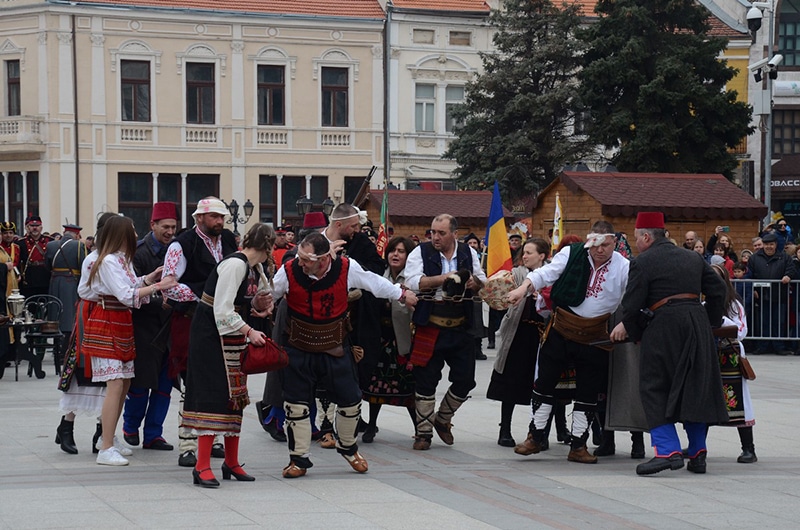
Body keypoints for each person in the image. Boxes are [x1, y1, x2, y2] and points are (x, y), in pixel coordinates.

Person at [273, 232, 417, 478]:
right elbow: (270, 294)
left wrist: (401, 294)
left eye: (307, 260)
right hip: (298, 346)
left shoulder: (347, 268)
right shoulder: (287, 271)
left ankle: (349, 448)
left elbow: (375, 283)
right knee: (296, 405)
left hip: (335, 346)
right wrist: (260, 303)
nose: (301, 263)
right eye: (300, 257)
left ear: (324, 259)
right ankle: (298, 459)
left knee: (351, 400)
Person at [609, 211, 729, 476]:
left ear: (647, 236)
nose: (636, 243)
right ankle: (698, 453)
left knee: (654, 386)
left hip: (663, 327)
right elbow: (718, 290)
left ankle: (667, 451)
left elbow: (631, 305)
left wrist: (632, 331)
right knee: (693, 386)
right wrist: (709, 321)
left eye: (637, 238)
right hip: (696, 323)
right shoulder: (693, 257)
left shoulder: (643, 261)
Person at [506, 220, 629, 464]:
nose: (600, 249)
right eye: (595, 244)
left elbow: (636, 295)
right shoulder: (571, 254)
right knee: (544, 384)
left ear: (614, 242)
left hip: (595, 335)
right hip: (561, 329)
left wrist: (626, 323)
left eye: (606, 244)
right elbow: (545, 273)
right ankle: (535, 437)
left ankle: (578, 445)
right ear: (588, 240)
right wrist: (523, 288)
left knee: (588, 392)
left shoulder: (624, 267)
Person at [181, 223, 275, 487]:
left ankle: (231, 462)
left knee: (235, 397)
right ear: (267, 246)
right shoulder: (236, 264)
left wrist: (255, 305)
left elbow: (235, 301)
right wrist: (249, 331)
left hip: (227, 337)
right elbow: (221, 309)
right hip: (211, 338)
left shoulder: (249, 266)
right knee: (213, 397)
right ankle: (201, 466)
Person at [79, 215, 176, 466]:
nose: (135, 235)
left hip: (120, 320)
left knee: (124, 382)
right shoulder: (109, 260)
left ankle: (109, 438)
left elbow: (131, 285)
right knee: (115, 384)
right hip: (108, 319)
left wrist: (149, 278)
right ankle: (106, 446)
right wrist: (157, 286)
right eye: (131, 231)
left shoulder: (121, 259)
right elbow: (125, 294)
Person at [161, 197, 239, 467]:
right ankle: (187, 443)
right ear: (199, 218)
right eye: (214, 217)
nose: (220, 221)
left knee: (221, 380)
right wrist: (204, 297)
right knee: (191, 381)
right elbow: (169, 284)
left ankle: (214, 438)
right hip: (191, 318)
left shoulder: (228, 240)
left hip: (224, 321)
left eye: (222, 217)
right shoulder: (181, 244)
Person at [404, 214, 487, 450]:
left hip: (460, 326)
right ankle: (423, 433)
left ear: (454, 234)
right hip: (430, 325)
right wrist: (446, 279)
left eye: (441, 233)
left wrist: (473, 283)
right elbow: (412, 281)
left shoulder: (468, 252)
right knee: (425, 380)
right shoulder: (420, 252)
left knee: (466, 380)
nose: (435, 237)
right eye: (432, 232)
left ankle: (442, 419)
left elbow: (481, 279)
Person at [320, 204, 385, 447]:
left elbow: (377, 271)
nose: (358, 229)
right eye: (354, 226)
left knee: (359, 368)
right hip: (323, 317)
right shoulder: (315, 241)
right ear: (339, 225)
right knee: (324, 371)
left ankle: (350, 419)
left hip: (358, 318)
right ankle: (325, 425)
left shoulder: (362, 243)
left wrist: (353, 269)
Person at [55, 212, 116, 455]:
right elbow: (85, 290)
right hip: (91, 317)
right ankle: (66, 426)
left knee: (108, 376)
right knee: (83, 370)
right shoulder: (93, 258)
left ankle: (102, 431)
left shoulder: (113, 257)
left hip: (109, 318)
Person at [122, 202, 179, 451]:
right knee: (141, 382)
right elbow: (129, 292)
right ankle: (130, 426)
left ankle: (154, 434)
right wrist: (159, 302)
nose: (169, 232)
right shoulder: (139, 252)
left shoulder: (177, 250)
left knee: (165, 384)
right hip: (144, 327)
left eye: (173, 227)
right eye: (165, 227)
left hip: (170, 327)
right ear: (152, 225)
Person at [487, 238, 549, 447]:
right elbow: (495, 289)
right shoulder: (516, 274)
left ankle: (539, 432)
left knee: (543, 385)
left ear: (542, 255)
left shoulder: (551, 274)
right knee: (511, 383)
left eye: (530, 252)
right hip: (519, 334)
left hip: (543, 335)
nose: (525, 256)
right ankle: (505, 429)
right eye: (524, 252)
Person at [361, 236, 417, 443]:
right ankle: (371, 425)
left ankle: (419, 427)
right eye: (393, 250)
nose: (395, 254)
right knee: (376, 385)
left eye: (401, 251)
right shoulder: (379, 276)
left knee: (408, 387)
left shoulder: (412, 279)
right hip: (379, 339)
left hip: (402, 341)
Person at [710, 264, 758, 464]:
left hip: (730, 355)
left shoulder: (733, 304)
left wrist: (719, 320)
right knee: (706, 398)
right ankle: (697, 445)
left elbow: (741, 330)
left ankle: (749, 448)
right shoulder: (702, 304)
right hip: (710, 355)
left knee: (738, 401)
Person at [746, 231, 796, 355]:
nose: (769, 247)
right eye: (766, 244)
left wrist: (788, 276)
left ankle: (779, 347)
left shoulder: (784, 257)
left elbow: (791, 269)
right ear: (763, 244)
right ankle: (762, 346)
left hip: (779, 295)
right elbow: (749, 275)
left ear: (775, 245)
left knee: (779, 322)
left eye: (771, 244)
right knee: (763, 322)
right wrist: (753, 289)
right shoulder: (754, 258)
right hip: (762, 296)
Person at [46, 223, 88, 366]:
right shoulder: (78, 246)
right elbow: (83, 266)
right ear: (76, 235)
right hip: (70, 284)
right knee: (69, 317)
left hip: (54, 282)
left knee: (55, 315)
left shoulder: (51, 245)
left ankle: (56, 348)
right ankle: (65, 350)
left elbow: (47, 265)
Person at [19, 213, 54, 298]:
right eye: (32, 225)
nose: (35, 228)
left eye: (37, 225)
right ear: (28, 227)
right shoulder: (21, 243)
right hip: (29, 280)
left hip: (45, 278)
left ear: (41, 227)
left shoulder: (50, 241)